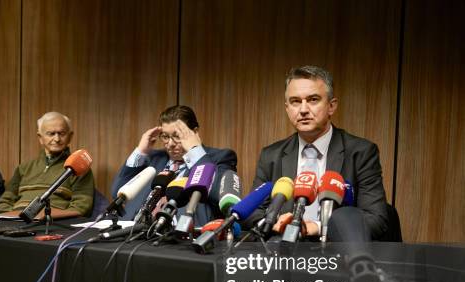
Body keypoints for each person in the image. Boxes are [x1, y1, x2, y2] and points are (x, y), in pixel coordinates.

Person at [249, 65, 388, 240]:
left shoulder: (361, 153)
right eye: (295, 101)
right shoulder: (271, 156)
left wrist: (320, 227)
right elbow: (253, 213)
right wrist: (277, 222)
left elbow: (376, 219)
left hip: (337, 255)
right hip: (286, 253)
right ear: (287, 108)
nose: (303, 109)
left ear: (331, 106)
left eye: (313, 99)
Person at [111, 105, 237, 225]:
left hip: (179, 234)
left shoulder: (219, 158)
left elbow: (218, 196)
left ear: (195, 132)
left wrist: (195, 152)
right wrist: (140, 151)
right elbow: (117, 192)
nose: (170, 143)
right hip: (134, 231)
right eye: (165, 137)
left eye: (177, 136)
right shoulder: (154, 158)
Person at [0, 111, 94, 218]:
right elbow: (5, 201)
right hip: (14, 220)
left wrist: (45, 216)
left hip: (52, 223)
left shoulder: (78, 168)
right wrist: (11, 216)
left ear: (70, 136)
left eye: (61, 133)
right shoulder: (24, 167)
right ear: (40, 137)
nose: (56, 139)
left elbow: (81, 208)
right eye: (51, 134)